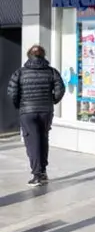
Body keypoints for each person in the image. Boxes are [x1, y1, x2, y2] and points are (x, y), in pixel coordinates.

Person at [7, 45, 65, 185]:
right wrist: (53, 101)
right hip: (46, 111)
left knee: (32, 141)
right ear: (43, 55)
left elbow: (12, 92)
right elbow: (60, 89)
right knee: (43, 139)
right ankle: (42, 171)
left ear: (29, 56)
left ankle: (37, 175)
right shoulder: (52, 72)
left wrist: (19, 106)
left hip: (27, 112)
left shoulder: (20, 73)